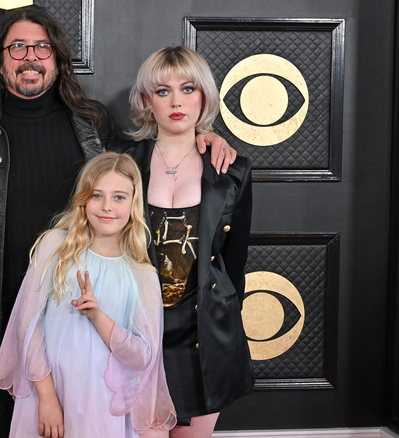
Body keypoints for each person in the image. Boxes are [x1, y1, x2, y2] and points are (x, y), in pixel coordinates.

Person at [0, 6, 236, 437]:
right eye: (17, 47)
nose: (30, 57)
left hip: (82, 315)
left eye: (42, 47)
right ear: (0, 61)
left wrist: (203, 136)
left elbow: (139, 168)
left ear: (57, 59)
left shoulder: (91, 122)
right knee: (2, 427)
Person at [0, 152, 176, 438]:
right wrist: (47, 398)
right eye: (97, 195)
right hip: (49, 398)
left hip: (102, 411)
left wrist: (99, 317)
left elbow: (143, 358)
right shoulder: (56, 246)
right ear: (83, 198)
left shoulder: (142, 275)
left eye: (119, 197)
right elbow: (27, 327)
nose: (106, 207)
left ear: (133, 203)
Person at [121, 46, 254, 437]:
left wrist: (226, 325)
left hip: (205, 336)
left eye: (188, 89)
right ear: (147, 101)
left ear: (204, 97)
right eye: (163, 91)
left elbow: (235, 261)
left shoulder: (233, 169)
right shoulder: (122, 161)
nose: (176, 101)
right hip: (141, 332)